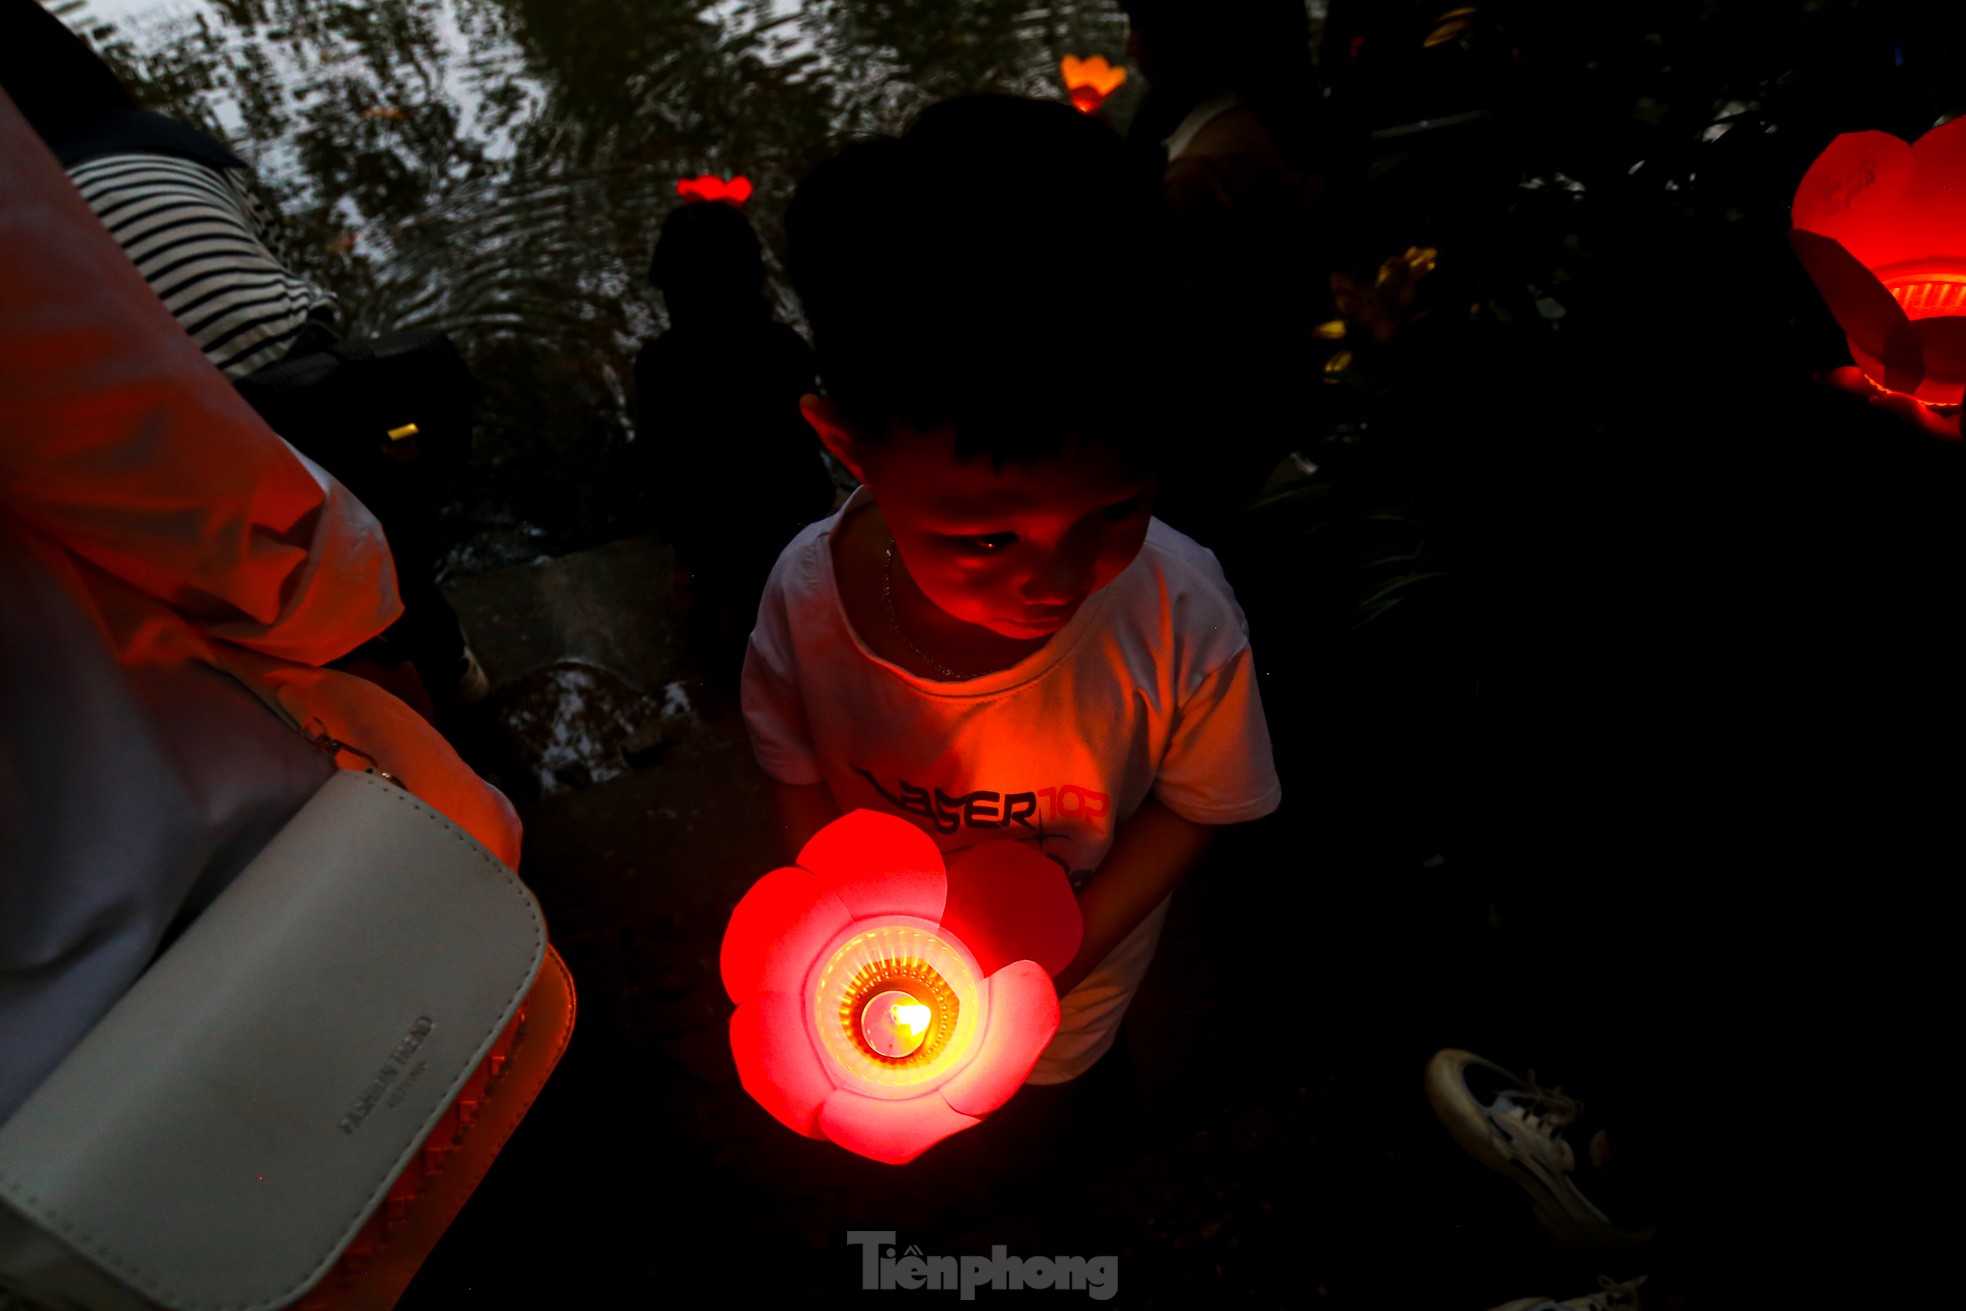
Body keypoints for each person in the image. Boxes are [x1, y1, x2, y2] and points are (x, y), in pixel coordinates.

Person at [741, 96, 1282, 1098]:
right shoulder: (807, 607)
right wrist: (845, 920)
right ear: (846, 445)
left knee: (1063, 1102)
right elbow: (798, 771)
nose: (1058, 578)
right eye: (986, 537)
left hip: (1077, 997)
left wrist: (1057, 965)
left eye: (1114, 510)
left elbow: (1202, 803)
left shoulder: (1178, 616)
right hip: (884, 994)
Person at [0, 84, 520, 1125]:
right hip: (265, 411)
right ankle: (452, 715)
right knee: (377, 595)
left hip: (216, 418)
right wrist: (353, 610)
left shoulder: (66, 181)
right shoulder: (171, 156)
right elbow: (163, 454)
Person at [0, 0, 486, 709]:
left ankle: (367, 725)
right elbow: (266, 266)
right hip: (309, 372)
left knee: (267, 597)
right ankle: (455, 675)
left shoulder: (23, 209)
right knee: (387, 548)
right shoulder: (172, 146)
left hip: (181, 433)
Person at [634, 196, 833, 690]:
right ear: (755, 277)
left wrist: (684, 558)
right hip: (791, 510)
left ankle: (727, 650)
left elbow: (666, 468)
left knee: (721, 605)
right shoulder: (787, 351)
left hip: (711, 525)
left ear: (668, 288)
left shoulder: (659, 366)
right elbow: (803, 446)